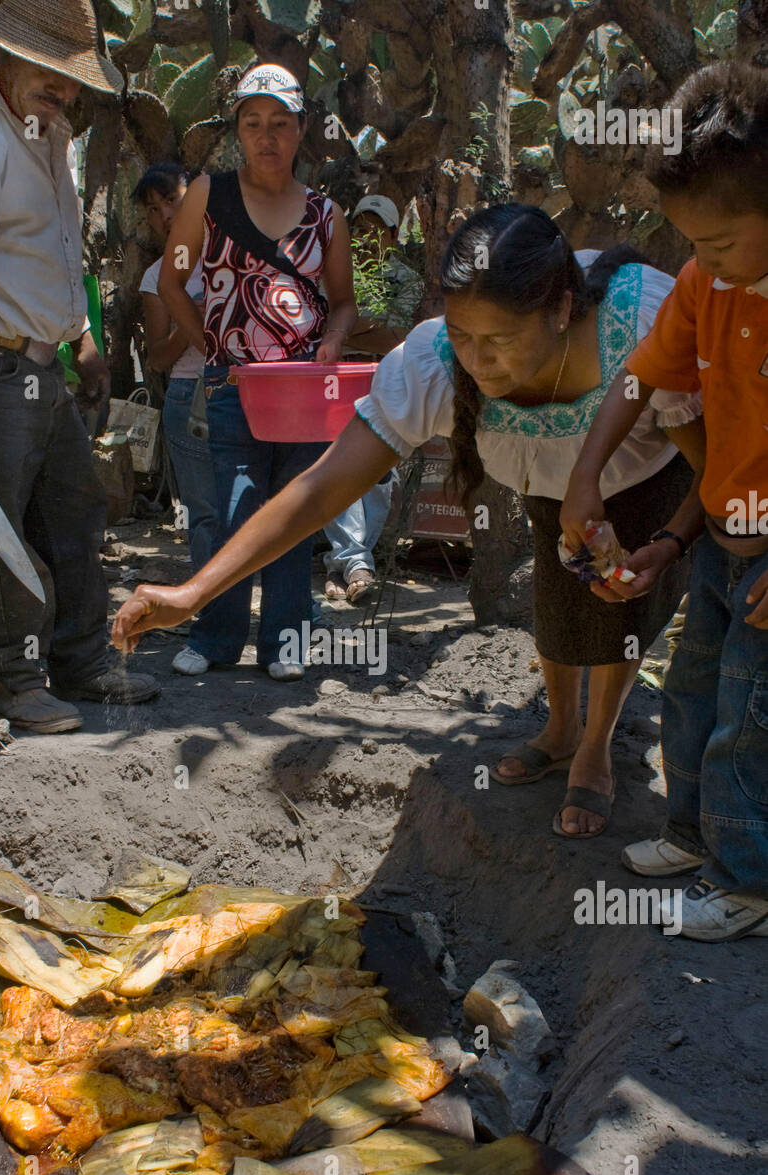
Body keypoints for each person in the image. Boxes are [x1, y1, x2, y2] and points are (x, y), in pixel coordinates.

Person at [114, 205, 706, 833]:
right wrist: (193, 591)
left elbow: (719, 463)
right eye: (464, 336)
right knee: (559, 595)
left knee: (617, 603)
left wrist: (669, 543)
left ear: (561, 311)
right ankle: (560, 732)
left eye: (501, 341)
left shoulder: (646, 324)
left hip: (652, 469)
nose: (479, 361)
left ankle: (595, 748)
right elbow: (319, 490)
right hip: (551, 482)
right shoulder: (432, 362)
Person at [0, 0, 159, 734]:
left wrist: (79, 334)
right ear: (7, 52)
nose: (69, 92)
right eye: (57, 76)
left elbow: (52, 242)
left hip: (42, 367)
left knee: (73, 516)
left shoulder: (45, 129)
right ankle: (13, 680)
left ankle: (79, 660)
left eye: (75, 81)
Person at [562, 61, 768, 941]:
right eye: (691, 244)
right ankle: (692, 836)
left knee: (748, 717)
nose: (704, 264)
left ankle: (747, 880)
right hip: (724, 538)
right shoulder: (703, 287)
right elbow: (643, 384)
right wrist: (588, 473)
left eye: (719, 244)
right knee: (690, 695)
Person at [156, 62, 357, 681]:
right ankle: (217, 639)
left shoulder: (327, 215)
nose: (266, 135)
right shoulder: (208, 197)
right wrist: (212, 348)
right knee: (234, 510)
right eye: (252, 123)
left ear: (300, 130)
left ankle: (285, 645)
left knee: (296, 515)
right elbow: (172, 280)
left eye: (280, 123)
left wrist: (332, 342)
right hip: (232, 388)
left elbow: (344, 301)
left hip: (302, 394)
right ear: (237, 132)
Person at [322, 195, 416, 605]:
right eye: (358, 228)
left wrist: (346, 329)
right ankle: (356, 562)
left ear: (394, 237)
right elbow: (324, 326)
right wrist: (356, 328)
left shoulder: (408, 280)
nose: (365, 237)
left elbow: (397, 335)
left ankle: (341, 565)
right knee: (335, 464)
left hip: (385, 383)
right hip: (335, 385)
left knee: (378, 474)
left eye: (375, 229)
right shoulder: (337, 278)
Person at [134, 162, 217, 574]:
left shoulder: (233, 253)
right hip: (190, 397)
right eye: (151, 208)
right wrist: (189, 320)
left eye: (170, 200)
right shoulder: (155, 277)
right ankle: (213, 610)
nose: (164, 215)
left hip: (247, 389)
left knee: (259, 504)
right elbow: (157, 358)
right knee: (204, 514)